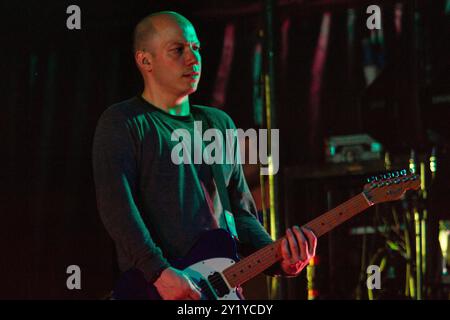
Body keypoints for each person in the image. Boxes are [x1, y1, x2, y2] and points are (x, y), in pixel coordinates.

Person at [92, 11, 317, 300]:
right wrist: (158, 272)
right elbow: (117, 208)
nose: (193, 58)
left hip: (219, 288)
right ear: (145, 60)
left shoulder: (218, 123)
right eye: (178, 50)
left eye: (196, 47)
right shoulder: (124, 121)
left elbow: (240, 214)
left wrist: (278, 258)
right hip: (155, 288)